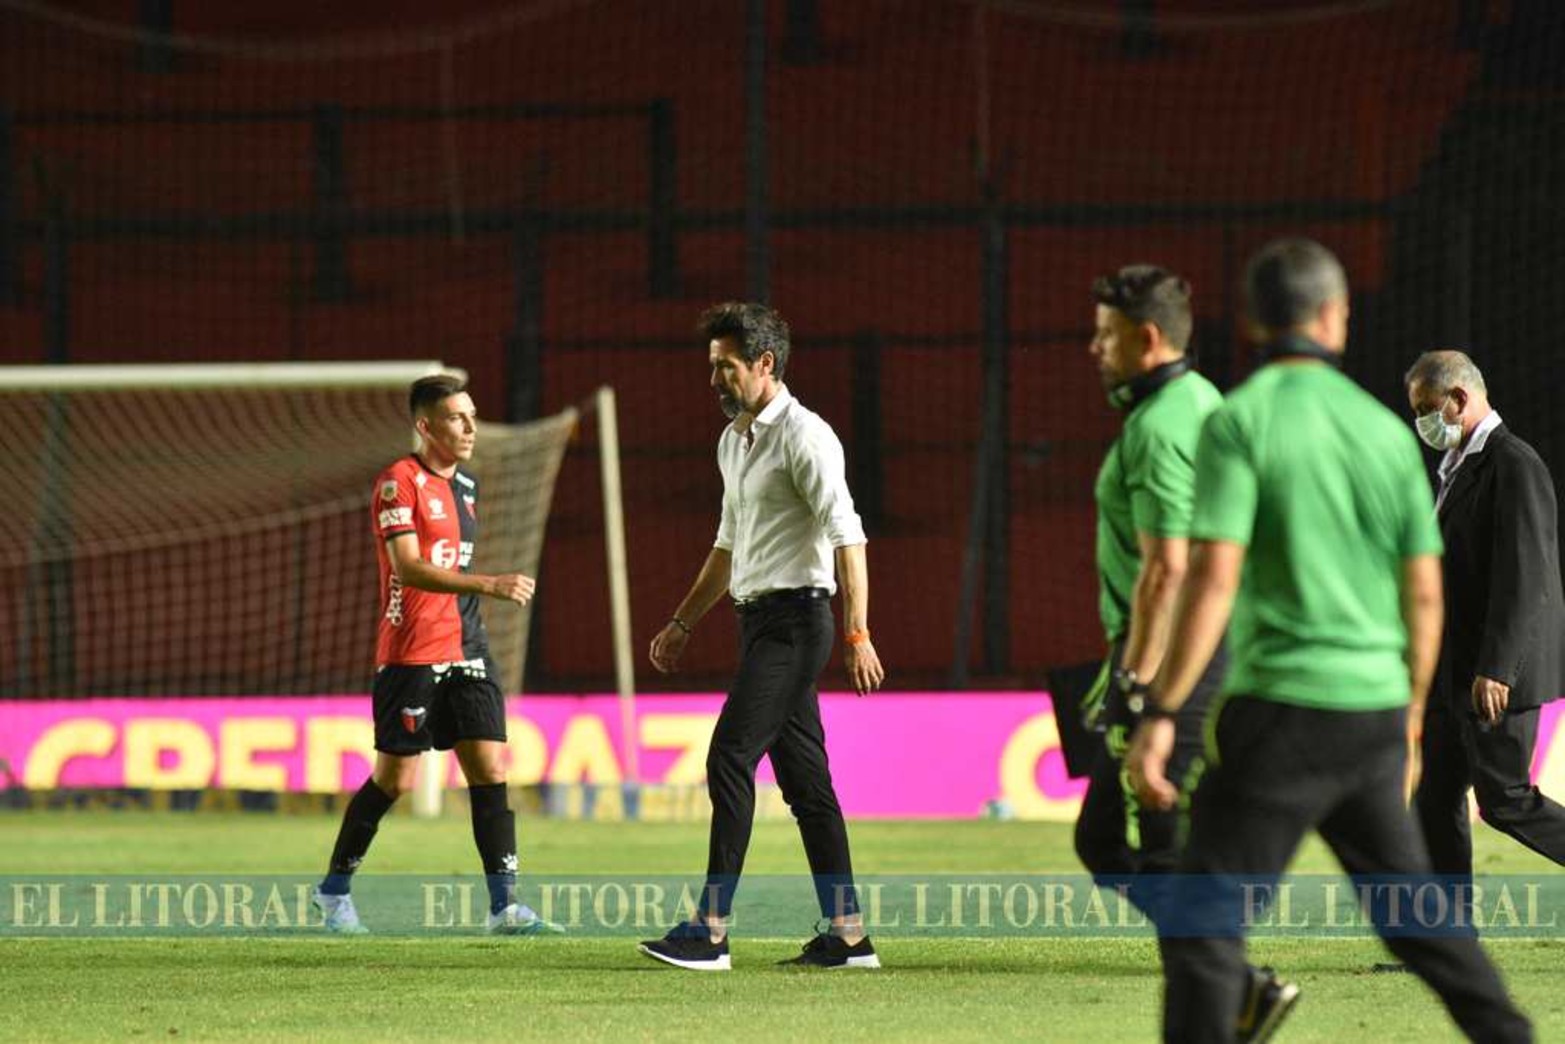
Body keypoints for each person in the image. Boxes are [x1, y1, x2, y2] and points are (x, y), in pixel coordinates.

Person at [1126, 238, 1532, 1042]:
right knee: (1417, 920)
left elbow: (1209, 580)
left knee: (1203, 920)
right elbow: (1422, 593)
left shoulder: (1237, 421)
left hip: (1280, 714)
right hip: (1373, 715)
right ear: (1334, 317)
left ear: (1249, 321)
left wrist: (1160, 708)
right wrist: (1410, 717)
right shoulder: (1383, 435)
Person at [638, 301, 886, 972]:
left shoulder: (804, 437)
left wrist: (857, 632)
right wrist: (682, 621)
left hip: (798, 623)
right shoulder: (734, 441)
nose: (713, 379)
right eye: (711, 366)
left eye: (725, 367)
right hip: (758, 625)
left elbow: (848, 537)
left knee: (728, 756)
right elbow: (726, 546)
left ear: (764, 364)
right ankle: (849, 936)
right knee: (807, 788)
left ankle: (710, 931)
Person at [312, 373, 562, 936]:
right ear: (426, 426)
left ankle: (505, 907)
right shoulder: (396, 484)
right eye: (457, 417)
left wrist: (477, 598)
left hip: (468, 645)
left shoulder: (467, 487)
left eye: (472, 415)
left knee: (491, 767)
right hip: (411, 650)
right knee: (395, 780)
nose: (471, 427)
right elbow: (408, 568)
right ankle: (333, 891)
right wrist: (488, 584)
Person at [1075, 265, 1226, 899]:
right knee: (1109, 839)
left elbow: (1167, 568)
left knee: (1159, 839)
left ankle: (1228, 981)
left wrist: (1136, 682)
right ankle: (1226, 971)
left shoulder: (1160, 429)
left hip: (1172, 653)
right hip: (1196, 642)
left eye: (1106, 335)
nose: (1095, 348)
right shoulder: (1203, 400)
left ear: (1147, 338)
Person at [1405, 351, 1565, 894]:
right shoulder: (1456, 469)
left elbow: (1526, 578)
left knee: (1505, 801)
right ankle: (1448, 939)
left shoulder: (1513, 463)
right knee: (1434, 795)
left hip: (1491, 675)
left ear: (1460, 398)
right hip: (1454, 671)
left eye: (1428, 407)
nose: (1423, 421)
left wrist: (1498, 667)